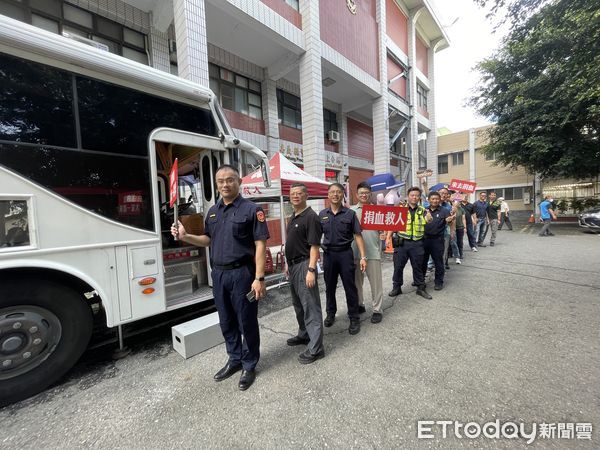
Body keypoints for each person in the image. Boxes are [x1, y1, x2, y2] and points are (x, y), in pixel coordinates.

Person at [171, 164, 269, 391]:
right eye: (220, 181)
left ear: (239, 182)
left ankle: (249, 364)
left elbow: (260, 245)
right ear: (216, 184)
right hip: (220, 274)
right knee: (226, 320)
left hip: (243, 274)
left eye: (230, 180)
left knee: (246, 321)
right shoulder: (213, 212)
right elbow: (207, 240)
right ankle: (234, 359)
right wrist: (186, 236)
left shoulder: (252, 210)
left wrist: (259, 277)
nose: (225, 184)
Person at [319, 183, 367, 335]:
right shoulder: (322, 214)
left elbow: (358, 235)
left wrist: (363, 257)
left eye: (338, 192)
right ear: (328, 195)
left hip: (345, 254)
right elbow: (314, 237)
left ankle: (354, 317)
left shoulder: (350, 214)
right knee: (330, 287)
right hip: (329, 255)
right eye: (332, 192)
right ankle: (331, 313)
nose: (335, 195)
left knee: (349, 287)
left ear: (342, 195)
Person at [285, 183, 325, 364]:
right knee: (299, 305)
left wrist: (311, 270)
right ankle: (304, 334)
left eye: (299, 193)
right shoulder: (293, 216)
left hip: (304, 265)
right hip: (293, 266)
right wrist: (287, 264)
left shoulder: (311, 217)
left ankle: (316, 348)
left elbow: (314, 246)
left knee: (311, 306)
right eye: (293, 193)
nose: (295, 196)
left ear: (306, 196)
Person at [387, 186, 433, 299]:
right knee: (398, 266)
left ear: (419, 197)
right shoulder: (400, 209)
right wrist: (388, 237)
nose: (414, 197)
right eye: (412, 195)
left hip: (417, 243)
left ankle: (420, 288)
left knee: (418, 266)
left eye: (417, 195)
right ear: (408, 196)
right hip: (402, 242)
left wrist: (429, 219)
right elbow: (393, 224)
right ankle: (396, 287)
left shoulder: (423, 210)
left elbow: (428, 221)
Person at [351, 182, 384, 324]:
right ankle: (360, 304)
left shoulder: (378, 211)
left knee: (376, 283)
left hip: (373, 252)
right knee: (357, 282)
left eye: (366, 193)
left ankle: (377, 309)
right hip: (355, 253)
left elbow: (386, 229)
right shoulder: (351, 211)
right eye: (361, 193)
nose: (363, 195)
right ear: (357, 195)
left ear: (370, 194)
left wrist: (384, 234)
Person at [422, 191, 451, 291]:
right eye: (433, 199)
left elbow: (449, 219)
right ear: (429, 200)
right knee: (423, 261)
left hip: (437, 240)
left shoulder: (444, 210)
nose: (435, 201)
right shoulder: (423, 210)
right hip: (424, 239)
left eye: (437, 199)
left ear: (440, 200)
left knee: (438, 262)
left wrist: (450, 220)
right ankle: (420, 281)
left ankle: (439, 282)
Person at [451, 199, 466, 264]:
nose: (456, 204)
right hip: (452, 228)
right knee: (453, 242)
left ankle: (460, 254)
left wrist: (465, 227)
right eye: (454, 204)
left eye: (458, 203)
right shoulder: (451, 209)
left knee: (460, 241)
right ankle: (455, 255)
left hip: (460, 227)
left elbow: (463, 218)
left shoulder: (461, 209)